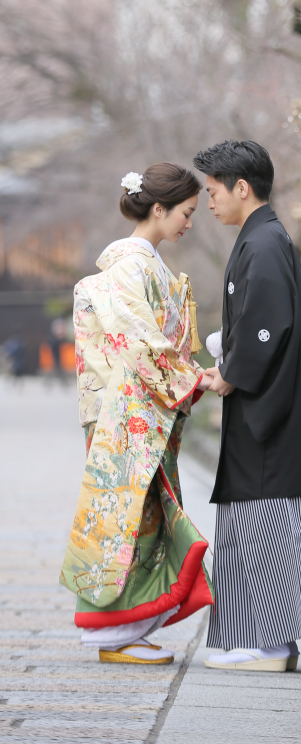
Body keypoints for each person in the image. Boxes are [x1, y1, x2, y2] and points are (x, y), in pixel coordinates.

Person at [193, 139, 301, 673]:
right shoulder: (263, 238)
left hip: (272, 417)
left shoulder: (263, 243)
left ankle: (271, 647)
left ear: (242, 188)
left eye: (214, 190)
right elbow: (260, 322)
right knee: (260, 521)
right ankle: (267, 641)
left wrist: (230, 373)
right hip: (272, 410)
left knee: (265, 521)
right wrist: (229, 352)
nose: (210, 201)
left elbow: (269, 328)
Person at [60, 163, 216, 665]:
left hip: (139, 409)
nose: (190, 223)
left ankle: (127, 628)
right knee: (131, 518)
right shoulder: (132, 266)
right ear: (158, 209)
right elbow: (139, 341)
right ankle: (114, 633)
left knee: (143, 516)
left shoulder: (144, 264)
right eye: (187, 213)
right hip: (127, 413)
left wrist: (187, 376)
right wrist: (193, 378)